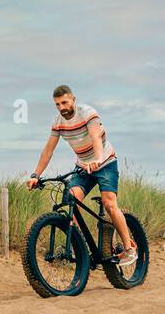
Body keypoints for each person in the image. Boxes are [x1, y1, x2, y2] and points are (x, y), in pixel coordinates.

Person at [26, 84, 137, 265]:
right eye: (57, 104)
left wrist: (98, 159)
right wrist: (35, 175)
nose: (62, 107)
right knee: (71, 199)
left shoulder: (87, 113)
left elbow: (95, 138)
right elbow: (48, 151)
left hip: (106, 162)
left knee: (109, 202)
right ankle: (78, 247)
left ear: (73, 100)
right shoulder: (58, 123)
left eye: (64, 102)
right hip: (83, 167)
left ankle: (128, 248)